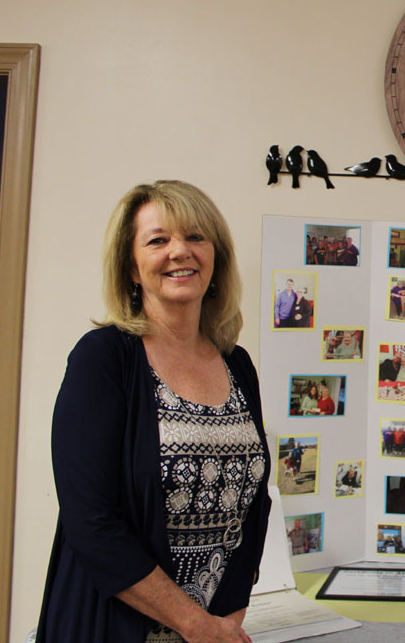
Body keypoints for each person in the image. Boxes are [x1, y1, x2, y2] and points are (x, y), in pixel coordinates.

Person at [38, 180, 271, 643]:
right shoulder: (103, 358)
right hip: (109, 627)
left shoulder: (236, 363)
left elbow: (255, 504)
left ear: (216, 258)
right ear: (131, 267)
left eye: (195, 237)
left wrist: (226, 621)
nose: (179, 251)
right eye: (158, 240)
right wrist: (194, 625)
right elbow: (92, 522)